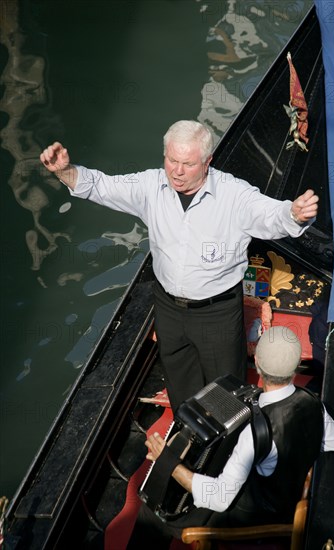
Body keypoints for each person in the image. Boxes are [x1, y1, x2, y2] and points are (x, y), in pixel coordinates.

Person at [40, 121, 319, 411]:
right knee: (179, 383)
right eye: (172, 160)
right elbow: (102, 186)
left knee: (227, 393)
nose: (177, 171)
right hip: (168, 308)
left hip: (218, 313)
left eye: (187, 163)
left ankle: (229, 448)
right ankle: (187, 436)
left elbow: (272, 216)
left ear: (207, 161)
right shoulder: (150, 185)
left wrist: (294, 214)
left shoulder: (235, 195)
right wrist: (65, 171)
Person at [128, 325, 334, 548]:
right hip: (285, 498)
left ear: (257, 363)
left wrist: (169, 464)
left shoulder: (256, 432)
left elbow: (220, 499)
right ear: (297, 365)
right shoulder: (315, 404)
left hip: (254, 516)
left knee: (152, 513)